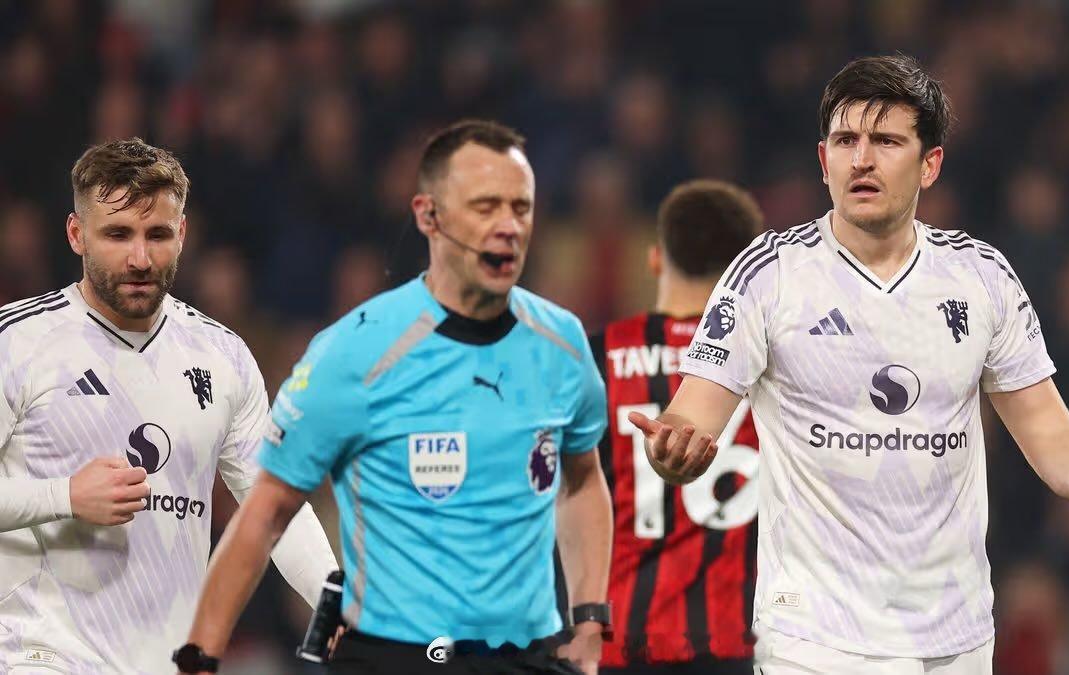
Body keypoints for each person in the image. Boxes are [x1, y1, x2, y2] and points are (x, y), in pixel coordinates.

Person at [627, 55, 1069, 673]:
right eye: (845, 141)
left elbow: (1047, 427)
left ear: (929, 164)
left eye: (885, 141)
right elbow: (691, 415)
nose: (862, 159)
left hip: (955, 638)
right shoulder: (768, 275)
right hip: (813, 641)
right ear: (823, 159)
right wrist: (673, 449)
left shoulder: (980, 277)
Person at [178, 120, 613, 675]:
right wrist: (199, 656)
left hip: (526, 656)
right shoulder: (355, 352)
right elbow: (265, 511)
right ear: (428, 216)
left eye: (520, 208)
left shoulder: (563, 344)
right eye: (485, 207)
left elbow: (582, 480)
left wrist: (590, 619)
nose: (508, 226)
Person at [0, 138, 337, 674]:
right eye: (117, 234)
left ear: (182, 234)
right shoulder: (17, 342)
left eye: (156, 235)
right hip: (40, 656)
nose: (140, 258)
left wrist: (334, 605)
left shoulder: (223, 357)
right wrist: (64, 495)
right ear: (76, 234)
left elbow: (275, 507)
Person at [590, 180, 763, 675]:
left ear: (654, 259)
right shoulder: (770, 371)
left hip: (618, 643)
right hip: (740, 645)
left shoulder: (595, 358)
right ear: (747, 273)